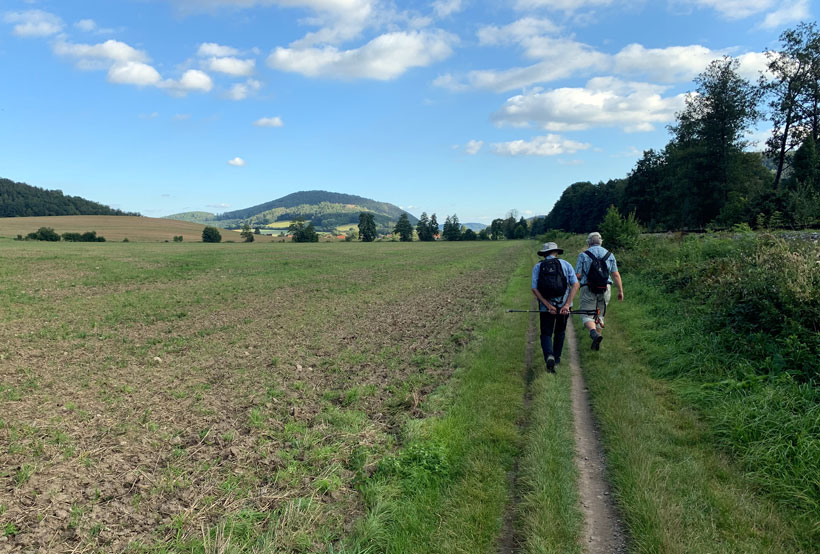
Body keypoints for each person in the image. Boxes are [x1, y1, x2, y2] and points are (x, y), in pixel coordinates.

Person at [532, 242, 579, 373]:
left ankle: (549, 356)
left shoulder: (538, 267)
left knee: (546, 333)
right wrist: (567, 304)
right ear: (556, 252)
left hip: (546, 308)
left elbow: (534, 289)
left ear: (544, 254)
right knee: (560, 332)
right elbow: (575, 285)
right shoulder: (566, 264)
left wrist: (547, 305)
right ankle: (556, 359)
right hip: (564, 306)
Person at [575, 232, 624, 350]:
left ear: (589, 242)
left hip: (588, 287)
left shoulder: (583, 255)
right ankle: (598, 339)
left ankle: (593, 333)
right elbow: (615, 274)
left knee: (586, 314)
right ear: (601, 241)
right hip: (605, 288)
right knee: (600, 314)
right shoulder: (609, 255)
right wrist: (620, 291)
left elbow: (578, 275)